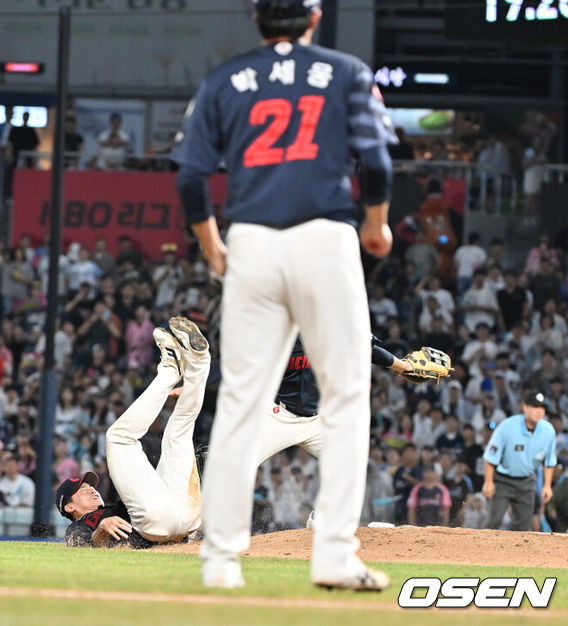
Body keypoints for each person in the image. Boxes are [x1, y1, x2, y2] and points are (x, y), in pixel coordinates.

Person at [174, 0, 395, 590]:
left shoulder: (225, 79)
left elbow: (190, 176)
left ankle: (220, 561)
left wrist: (210, 243)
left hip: (251, 240)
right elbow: (375, 159)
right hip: (326, 236)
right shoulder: (346, 72)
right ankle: (335, 556)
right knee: (347, 400)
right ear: (314, 18)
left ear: (256, 20)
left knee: (241, 401)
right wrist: (376, 224)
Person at [58, 317, 208, 548]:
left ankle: (199, 364)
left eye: (90, 486)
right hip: (157, 524)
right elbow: (75, 544)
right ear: (69, 507)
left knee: (178, 433)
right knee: (118, 438)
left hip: (185, 519)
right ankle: (169, 369)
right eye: (83, 490)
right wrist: (100, 530)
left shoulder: (118, 507)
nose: (92, 490)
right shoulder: (82, 525)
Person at [255, 335, 414, 466]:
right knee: (240, 464)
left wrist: (403, 365)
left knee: (349, 466)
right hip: (279, 416)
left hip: (317, 422)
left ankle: (325, 506)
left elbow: (367, 349)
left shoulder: (333, 327)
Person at [482, 391, 556, 531]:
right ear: (525, 407)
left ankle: (516, 553)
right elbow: (490, 456)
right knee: (493, 521)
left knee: (523, 527)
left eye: (541, 408)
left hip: (526, 482)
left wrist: (547, 485)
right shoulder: (507, 426)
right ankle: (478, 552)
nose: (538, 411)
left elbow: (550, 461)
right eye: (534, 406)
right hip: (503, 480)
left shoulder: (548, 431)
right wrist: (488, 482)